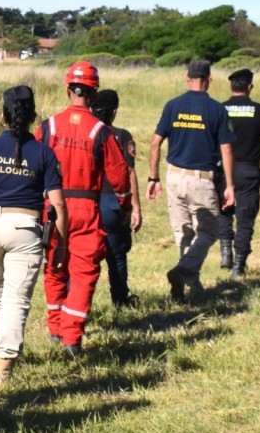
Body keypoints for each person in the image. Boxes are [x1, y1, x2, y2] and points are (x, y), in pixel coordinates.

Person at [0, 85, 67, 383]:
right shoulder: (43, 152)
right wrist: (60, 246)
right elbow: (59, 204)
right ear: (34, 117)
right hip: (24, 229)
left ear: (2, 115)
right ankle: (5, 365)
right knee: (17, 299)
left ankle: (1, 345)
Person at [35, 62, 131, 357]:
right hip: (86, 208)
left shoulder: (47, 127)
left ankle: (55, 328)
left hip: (52, 206)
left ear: (68, 89)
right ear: (94, 93)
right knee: (84, 272)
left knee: (54, 267)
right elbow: (119, 176)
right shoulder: (101, 131)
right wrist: (125, 205)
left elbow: (34, 164)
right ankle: (72, 339)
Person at [147, 59, 236, 302]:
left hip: (174, 176)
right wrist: (229, 185)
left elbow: (155, 143)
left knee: (184, 233)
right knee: (209, 231)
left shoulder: (173, 105)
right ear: (209, 79)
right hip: (201, 180)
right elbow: (226, 149)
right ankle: (183, 272)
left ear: (187, 78)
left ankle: (189, 286)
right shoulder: (217, 109)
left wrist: (153, 178)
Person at [219, 68, 260, 277]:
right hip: (249, 171)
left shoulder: (220, 109)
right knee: (245, 218)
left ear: (231, 86)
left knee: (224, 211)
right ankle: (238, 266)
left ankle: (225, 251)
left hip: (222, 169)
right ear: (250, 87)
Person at [91, 88, 143, 307]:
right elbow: (128, 172)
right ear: (114, 112)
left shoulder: (87, 133)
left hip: (87, 202)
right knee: (117, 255)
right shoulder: (122, 136)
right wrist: (135, 208)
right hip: (113, 203)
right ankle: (121, 299)